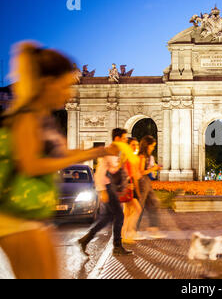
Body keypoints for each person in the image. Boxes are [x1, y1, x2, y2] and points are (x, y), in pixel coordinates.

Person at [0, 41, 116, 279]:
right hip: (15, 217)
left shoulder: (42, 117)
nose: (69, 93)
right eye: (65, 85)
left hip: (33, 214)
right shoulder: (27, 117)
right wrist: (86, 154)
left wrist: (97, 152)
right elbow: (30, 165)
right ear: (47, 84)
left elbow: (61, 155)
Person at [78, 128, 133, 256]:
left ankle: (85, 239)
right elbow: (100, 172)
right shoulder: (109, 151)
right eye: (124, 138)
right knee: (119, 215)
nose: (126, 140)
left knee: (107, 217)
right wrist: (102, 191)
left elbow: (114, 169)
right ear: (118, 138)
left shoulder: (116, 152)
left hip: (110, 187)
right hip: (107, 187)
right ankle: (117, 247)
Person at [136, 135, 165, 238]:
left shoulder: (148, 157)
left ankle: (153, 228)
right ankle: (133, 230)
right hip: (142, 182)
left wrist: (156, 168)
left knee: (154, 203)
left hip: (147, 182)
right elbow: (141, 172)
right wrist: (153, 169)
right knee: (139, 206)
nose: (153, 148)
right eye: (152, 146)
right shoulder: (142, 156)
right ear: (146, 145)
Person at [121, 137, 143, 244]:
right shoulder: (128, 158)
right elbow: (132, 175)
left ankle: (124, 235)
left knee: (127, 213)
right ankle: (128, 233)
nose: (135, 147)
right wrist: (138, 192)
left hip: (129, 186)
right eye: (133, 144)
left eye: (137, 144)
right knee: (137, 210)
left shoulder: (130, 157)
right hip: (129, 187)